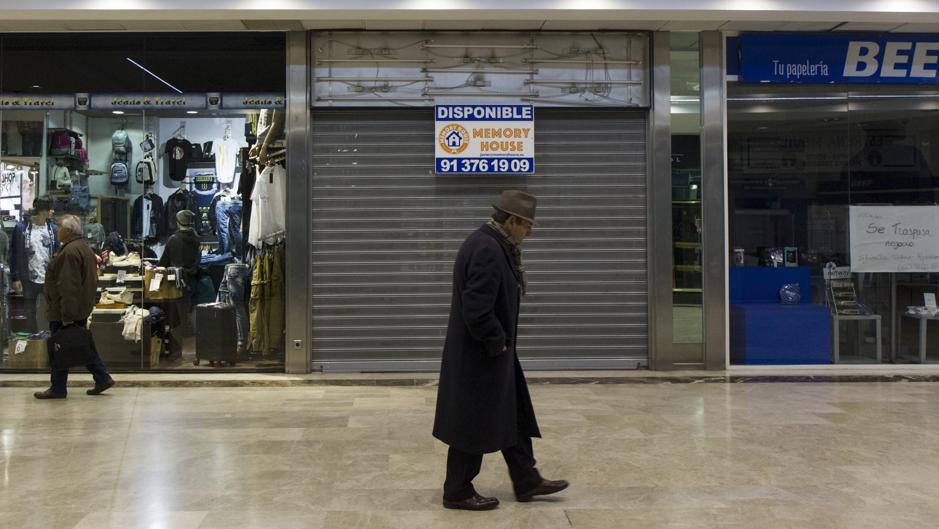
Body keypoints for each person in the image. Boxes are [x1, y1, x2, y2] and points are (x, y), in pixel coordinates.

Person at [433, 190, 568, 511]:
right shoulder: (487, 249)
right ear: (511, 221)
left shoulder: (492, 243)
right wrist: (497, 340)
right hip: (480, 355)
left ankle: (526, 478)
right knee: (473, 422)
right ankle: (457, 490)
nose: (530, 232)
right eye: (527, 226)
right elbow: (477, 308)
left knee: (514, 412)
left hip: (493, 353)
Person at [34, 214, 114, 399]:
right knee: (76, 345)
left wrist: (67, 315)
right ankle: (100, 377)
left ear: (68, 231)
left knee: (62, 347)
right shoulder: (82, 248)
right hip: (77, 308)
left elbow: (68, 286)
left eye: (59, 226)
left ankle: (60, 387)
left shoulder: (69, 252)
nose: (56, 229)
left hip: (66, 311)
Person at [11, 195, 59, 333]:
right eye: (50, 209)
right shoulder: (21, 229)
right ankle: (34, 344)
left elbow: (57, 253)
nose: (53, 211)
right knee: (30, 313)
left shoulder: (53, 229)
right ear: (43, 210)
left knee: (52, 312)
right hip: (28, 278)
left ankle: (51, 343)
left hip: (49, 278)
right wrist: (15, 277)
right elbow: (14, 254)